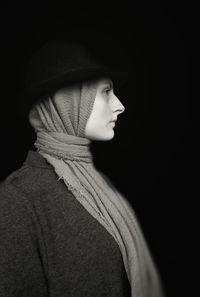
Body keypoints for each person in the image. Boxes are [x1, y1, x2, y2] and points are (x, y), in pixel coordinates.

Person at [0, 40, 165, 297]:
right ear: (67, 102)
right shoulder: (18, 199)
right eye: (106, 92)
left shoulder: (100, 185)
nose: (120, 105)